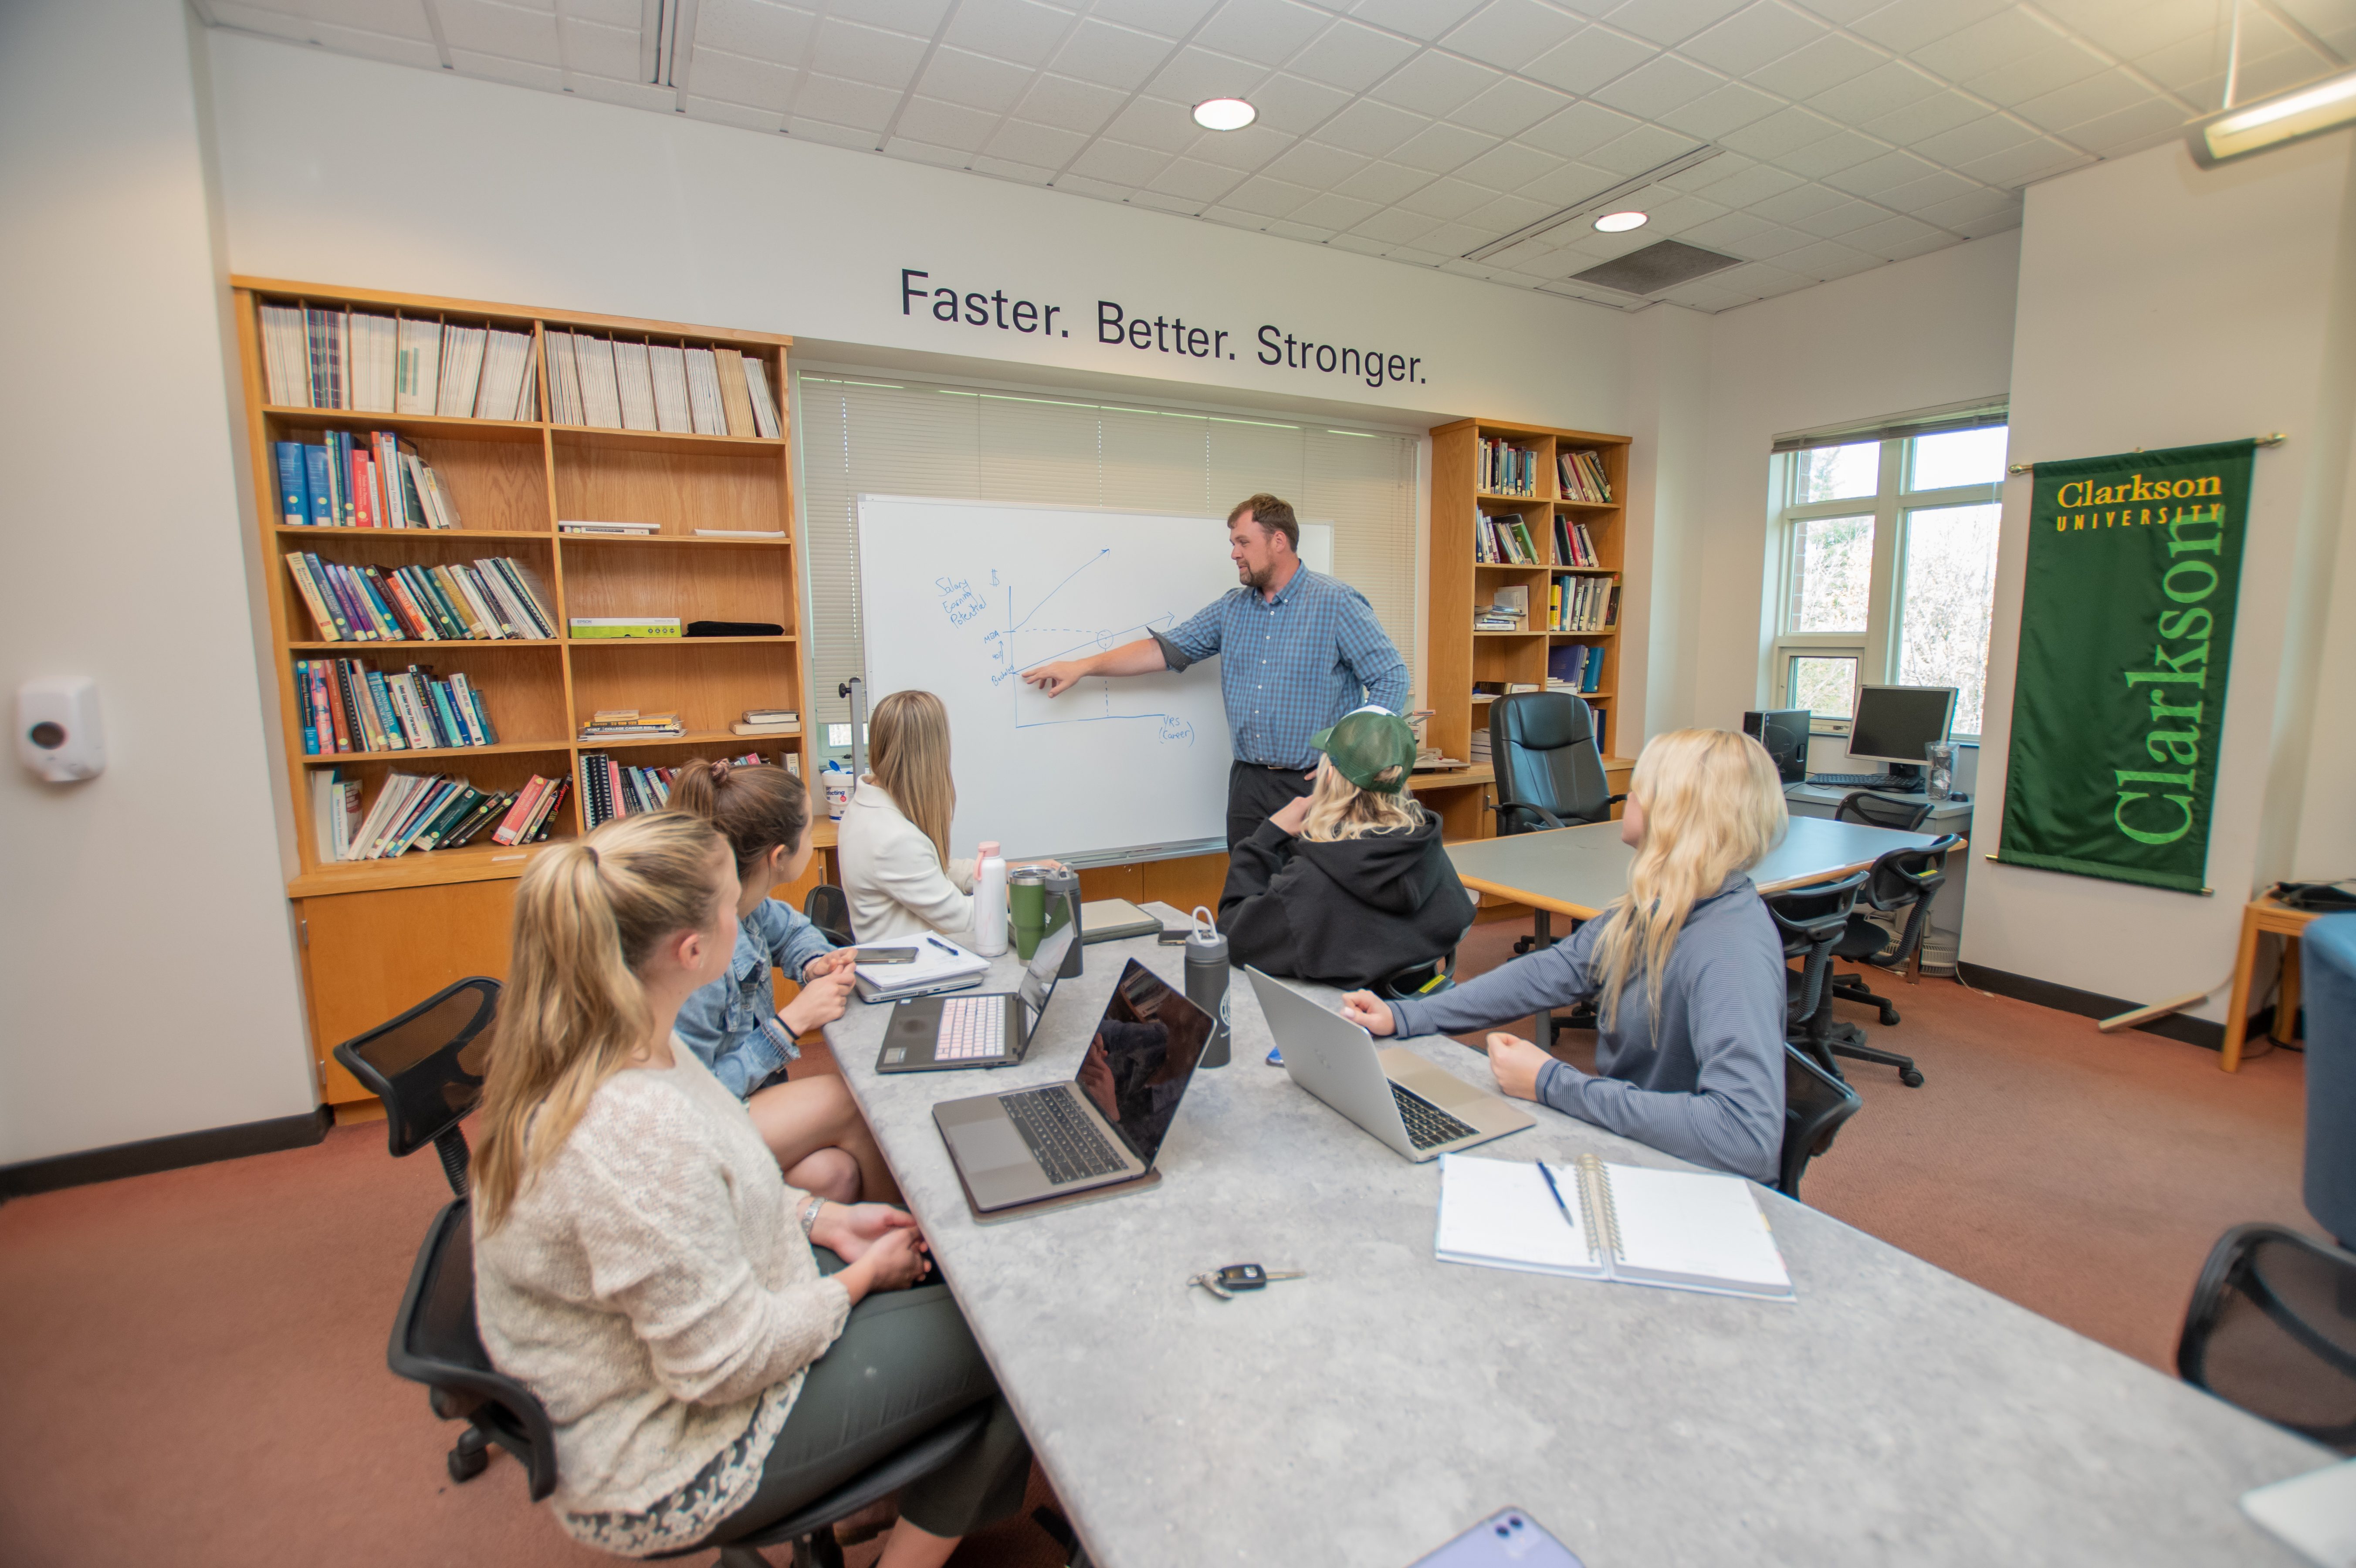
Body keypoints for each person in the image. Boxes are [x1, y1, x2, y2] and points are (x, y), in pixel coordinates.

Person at [471, 812, 1031, 1565]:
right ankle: (888, 1516)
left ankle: (878, 1500)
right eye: (735, 905)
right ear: (693, 948)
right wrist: (862, 1278)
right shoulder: (632, 1128)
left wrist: (820, 1218)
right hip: (674, 1453)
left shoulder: (626, 1035)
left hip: (707, 1348)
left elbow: (718, 1184)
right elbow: (722, 1364)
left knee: (964, 1297)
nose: (751, 917)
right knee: (1014, 1344)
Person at [1338, 729, 1790, 1184]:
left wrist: (1551, 1083)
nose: (1629, 795)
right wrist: (1405, 1017)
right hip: (1639, 1145)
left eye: (1641, 785)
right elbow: (1552, 971)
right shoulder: (1661, 905)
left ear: (1676, 810)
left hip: (1688, 1185)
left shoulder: (1728, 947)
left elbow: (1745, 1139)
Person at [1018, 492, 1409, 850]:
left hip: (1316, 784)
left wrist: (1349, 759)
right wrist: (1083, 667)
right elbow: (1161, 651)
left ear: (1278, 541)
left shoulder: (1336, 603)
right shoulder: (1232, 610)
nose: (1235, 554)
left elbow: (1391, 678)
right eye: (1233, 544)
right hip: (1248, 784)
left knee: (1314, 901)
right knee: (1248, 894)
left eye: (1243, 542)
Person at [667, 757, 894, 1203]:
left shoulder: (746, 904)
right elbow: (686, 1101)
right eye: (808, 833)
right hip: (694, 1131)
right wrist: (790, 1024)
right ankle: (916, 1248)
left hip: (742, 1105)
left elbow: (790, 930)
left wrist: (813, 963)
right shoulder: (699, 959)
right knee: (847, 1100)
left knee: (834, 1174)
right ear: (779, 857)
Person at [1217, 706, 1472, 991]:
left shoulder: (1312, 879)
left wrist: (1265, 839)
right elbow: (1457, 918)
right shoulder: (1426, 847)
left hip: (1340, 1017)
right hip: (1409, 1010)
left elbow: (1233, 936)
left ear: (1329, 777)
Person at [836, 689, 1055, 943]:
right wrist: (1027, 889)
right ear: (930, 754)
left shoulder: (864, 808)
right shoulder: (893, 840)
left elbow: (933, 869)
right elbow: (964, 919)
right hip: (912, 974)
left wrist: (1012, 871)